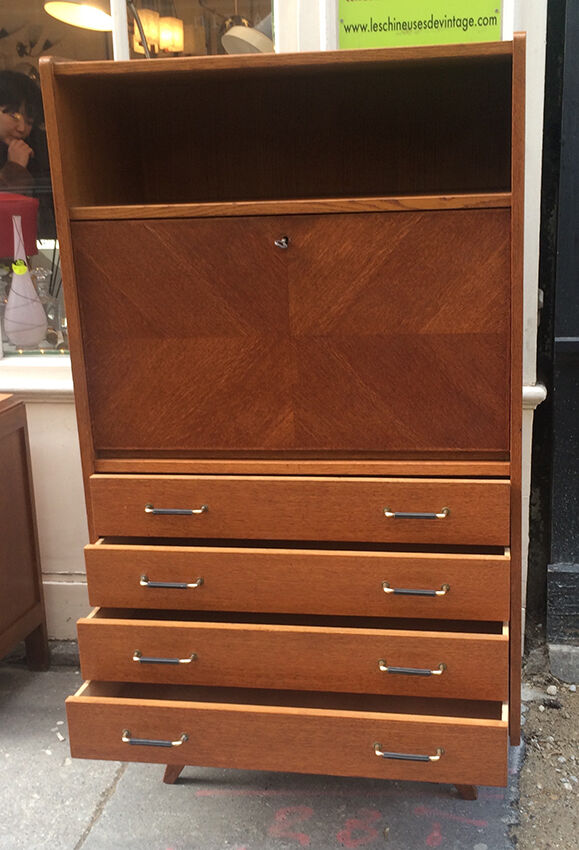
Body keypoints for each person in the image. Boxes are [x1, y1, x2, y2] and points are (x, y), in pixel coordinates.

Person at [0, 70, 54, 237]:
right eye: (14, 115)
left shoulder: (39, 153)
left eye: (29, 121)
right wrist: (15, 169)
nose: (22, 128)